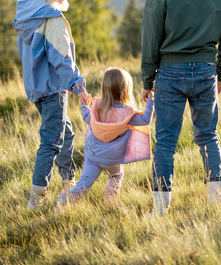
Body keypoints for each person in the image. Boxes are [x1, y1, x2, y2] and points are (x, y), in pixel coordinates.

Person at [142, 0, 221, 215]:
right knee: (208, 136)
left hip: (170, 74)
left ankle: (161, 209)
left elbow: (150, 41)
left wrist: (147, 81)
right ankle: (216, 201)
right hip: (207, 71)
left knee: (166, 141)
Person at [13, 0, 92, 210]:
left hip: (36, 88)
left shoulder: (29, 14)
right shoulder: (52, 18)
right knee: (52, 141)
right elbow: (62, 58)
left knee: (66, 133)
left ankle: (69, 182)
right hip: (52, 89)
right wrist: (78, 86)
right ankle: (35, 199)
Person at [55, 66, 154, 211]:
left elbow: (87, 117)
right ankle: (111, 202)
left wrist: (85, 106)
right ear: (125, 90)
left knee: (83, 185)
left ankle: (63, 201)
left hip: (93, 155)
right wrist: (151, 100)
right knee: (116, 176)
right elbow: (146, 120)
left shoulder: (97, 106)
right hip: (112, 158)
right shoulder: (127, 113)